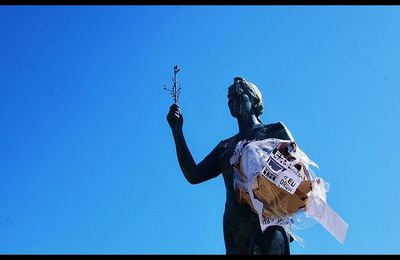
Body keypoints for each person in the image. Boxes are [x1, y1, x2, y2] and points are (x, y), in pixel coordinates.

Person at [167, 77, 295, 255]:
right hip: (236, 228)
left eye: (238, 93)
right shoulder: (225, 147)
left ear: (254, 99)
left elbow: (296, 169)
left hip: (270, 222)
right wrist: (177, 131)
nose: (232, 99)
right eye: (229, 97)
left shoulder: (275, 131)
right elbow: (194, 175)